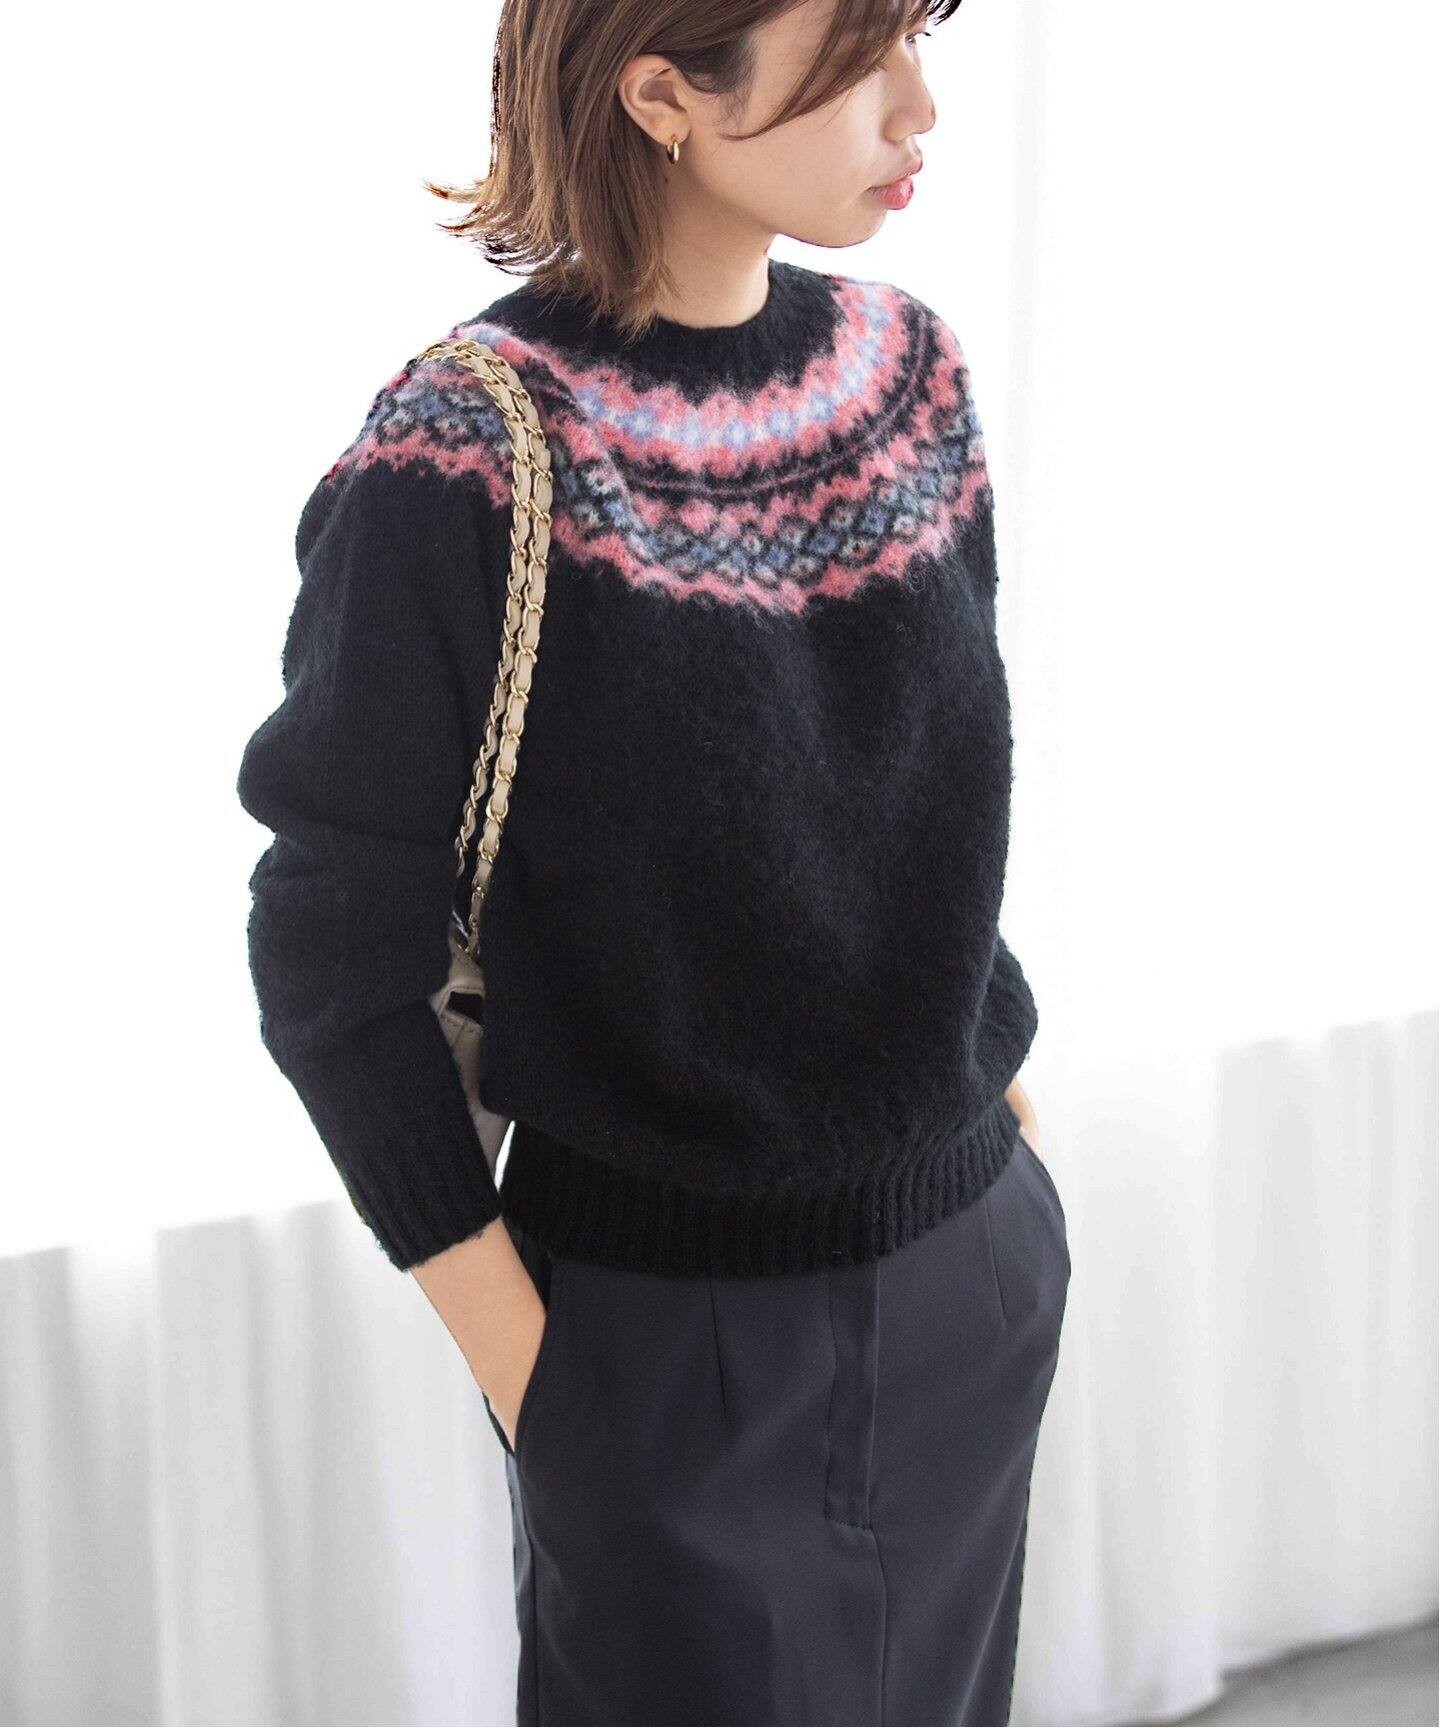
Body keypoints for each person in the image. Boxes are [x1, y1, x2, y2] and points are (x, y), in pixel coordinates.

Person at [235, 0, 1070, 1720]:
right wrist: (540, 1383)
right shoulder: (465, 452)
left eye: (919, 37)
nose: (919, 108)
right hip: (663, 1344)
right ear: (664, 93)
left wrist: (1001, 1126)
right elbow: (331, 955)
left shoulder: (911, 376)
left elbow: (927, 811)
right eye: (859, 53)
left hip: (967, 1264)